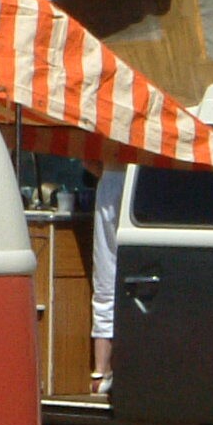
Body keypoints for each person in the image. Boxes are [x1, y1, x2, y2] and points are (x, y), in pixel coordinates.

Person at [90, 165, 126, 394]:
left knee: (105, 278)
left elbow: (86, 160)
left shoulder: (107, 128)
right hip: (141, 174)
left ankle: (101, 371)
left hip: (111, 174)